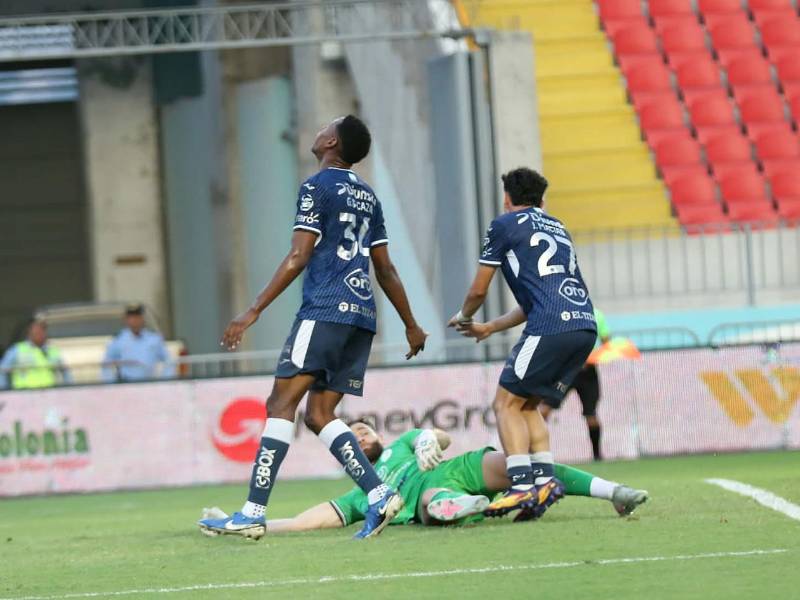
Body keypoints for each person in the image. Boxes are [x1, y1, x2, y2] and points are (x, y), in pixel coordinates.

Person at [199, 115, 428, 541]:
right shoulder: (369, 197)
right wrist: (411, 325)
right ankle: (379, 492)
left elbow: (297, 257)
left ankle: (252, 512)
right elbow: (385, 268)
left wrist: (252, 310)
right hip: (361, 316)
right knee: (320, 414)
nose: (318, 130)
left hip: (324, 309)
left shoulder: (316, 187)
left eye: (327, 126)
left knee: (280, 403)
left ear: (331, 142)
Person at [449, 167, 597, 521]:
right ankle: (544, 481)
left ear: (507, 199)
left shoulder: (504, 225)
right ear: (541, 200)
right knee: (527, 404)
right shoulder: (559, 227)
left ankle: (519, 486)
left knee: (504, 404)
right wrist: (491, 328)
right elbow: (536, 299)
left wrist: (466, 316)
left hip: (549, 326)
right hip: (584, 326)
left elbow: (479, 289)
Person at [198, 423, 648, 535]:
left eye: (364, 427)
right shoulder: (359, 495)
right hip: (428, 493)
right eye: (352, 435)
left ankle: (614, 492)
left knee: (519, 461)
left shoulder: (404, 442)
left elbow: (440, 437)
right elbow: (300, 523)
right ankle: (467, 508)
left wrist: (432, 437)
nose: (361, 432)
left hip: (459, 466)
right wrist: (240, 520)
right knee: (433, 500)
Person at [540, 307, 610, 461]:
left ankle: (597, 455)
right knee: (544, 410)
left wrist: (590, 357)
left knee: (590, 414)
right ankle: (536, 452)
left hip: (583, 371)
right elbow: (607, 342)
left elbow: (606, 344)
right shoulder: (592, 314)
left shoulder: (567, 314)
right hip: (567, 370)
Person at [102, 304, 175, 382]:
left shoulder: (154, 339)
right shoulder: (118, 340)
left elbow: (168, 360)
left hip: (149, 384)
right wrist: (111, 384)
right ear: (126, 320)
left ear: (143, 319)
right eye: (131, 317)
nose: (134, 320)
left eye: (137, 317)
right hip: (126, 385)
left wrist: (165, 380)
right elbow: (106, 364)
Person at [0, 318, 72, 390]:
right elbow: (2, 370)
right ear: (30, 332)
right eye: (37, 330)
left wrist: (68, 389)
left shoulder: (53, 351)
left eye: (42, 330)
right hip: (23, 395)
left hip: (49, 394)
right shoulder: (17, 350)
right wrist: (5, 391)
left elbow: (65, 371)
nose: (40, 333)